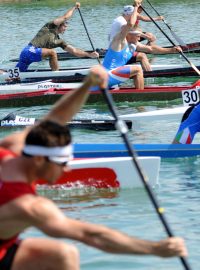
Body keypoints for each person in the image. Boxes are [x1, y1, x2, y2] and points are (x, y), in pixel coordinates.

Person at [0, 65, 188, 269]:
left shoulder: (13, 148)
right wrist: (155, 249)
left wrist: (88, 84)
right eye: (62, 164)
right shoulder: (29, 206)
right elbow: (92, 236)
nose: (67, 170)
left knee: (63, 254)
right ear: (38, 160)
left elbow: (56, 118)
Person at [103, 1, 181, 89]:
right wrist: (136, 6)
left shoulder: (133, 44)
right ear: (129, 34)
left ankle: (141, 89)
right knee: (138, 69)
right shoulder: (119, 40)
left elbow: (151, 49)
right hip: (106, 76)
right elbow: (130, 24)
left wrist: (172, 50)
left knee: (138, 66)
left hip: (112, 78)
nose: (139, 39)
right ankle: (141, 95)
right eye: (138, 36)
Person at [15, 2, 99, 72]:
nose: (66, 28)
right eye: (65, 26)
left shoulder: (59, 41)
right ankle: (56, 75)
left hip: (29, 56)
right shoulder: (50, 26)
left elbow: (74, 51)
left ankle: (6, 75)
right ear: (59, 25)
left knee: (16, 74)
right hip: (29, 50)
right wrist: (74, 8)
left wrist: (90, 55)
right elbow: (65, 17)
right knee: (52, 53)